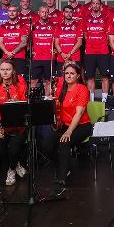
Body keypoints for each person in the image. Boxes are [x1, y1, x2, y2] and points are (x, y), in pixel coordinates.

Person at [40, 63, 92, 197]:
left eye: (72, 73)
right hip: (62, 125)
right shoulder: (60, 88)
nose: (69, 76)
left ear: (78, 76)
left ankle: (61, 180)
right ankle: (64, 165)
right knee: (45, 145)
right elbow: (55, 104)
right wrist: (50, 99)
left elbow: (79, 113)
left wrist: (69, 131)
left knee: (64, 142)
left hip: (81, 125)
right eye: (67, 73)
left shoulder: (82, 89)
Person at [0, 60, 28, 187]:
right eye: (2, 70)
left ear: (13, 71)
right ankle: (15, 164)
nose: (5, 72)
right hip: (1, 124)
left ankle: (11, 170)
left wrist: (15, 105)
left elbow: (25, 108)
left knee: (14, 149)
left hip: (18, 124)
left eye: (8, 69)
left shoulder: (21, 86)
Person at [82, 0, 112, 102]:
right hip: (90, 52)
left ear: (100, 6)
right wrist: (91, 42)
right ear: (91, 5)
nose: (95, 5)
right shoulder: (86, 18)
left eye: (97, 3)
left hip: (103, 51)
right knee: (90, 77)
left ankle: (104, 101)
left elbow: (108, 35)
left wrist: (101, 43)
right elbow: (85, 35)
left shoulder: (105, 18)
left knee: (105, 77)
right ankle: (91, 101)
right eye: (93, 3)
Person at [29, 5, 57, 97]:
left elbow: (57, 40)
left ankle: (46, 100)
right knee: (33, 81)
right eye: (42, 12)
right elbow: (27, 40)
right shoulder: (33, 25)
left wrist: (55, 49)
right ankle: (32, 99)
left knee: (48, 81)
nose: (44, 14)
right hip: (37, 58)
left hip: (49, 57)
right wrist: (30, 50)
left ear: (48, 13)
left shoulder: (53, 26)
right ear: (38, 13)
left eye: (46, 12)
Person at [0, 5, 29, 77]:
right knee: (6, 79)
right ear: (7, 13)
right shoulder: (2, 26)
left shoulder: (23, 25)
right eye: (10, 11)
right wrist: (7, 52)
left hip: (19, 57)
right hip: (6, 57)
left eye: (14, 11)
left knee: (20, 79)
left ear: (18, 13)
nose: (11, 13)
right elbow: (1, 43)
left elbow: (24, 43)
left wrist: (13, 53)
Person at [53, 4, 84, 70]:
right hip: (61, 57)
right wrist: (62, 53)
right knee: (61, 76)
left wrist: (70, 53)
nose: (68, 14)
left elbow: (79, 42)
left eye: (70, 12)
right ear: (63, 13)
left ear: (73, 13)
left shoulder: (78, 25)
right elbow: (56, 43)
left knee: (75, 75)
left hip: (74, 57)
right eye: (67, 12)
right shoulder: (58, 26)